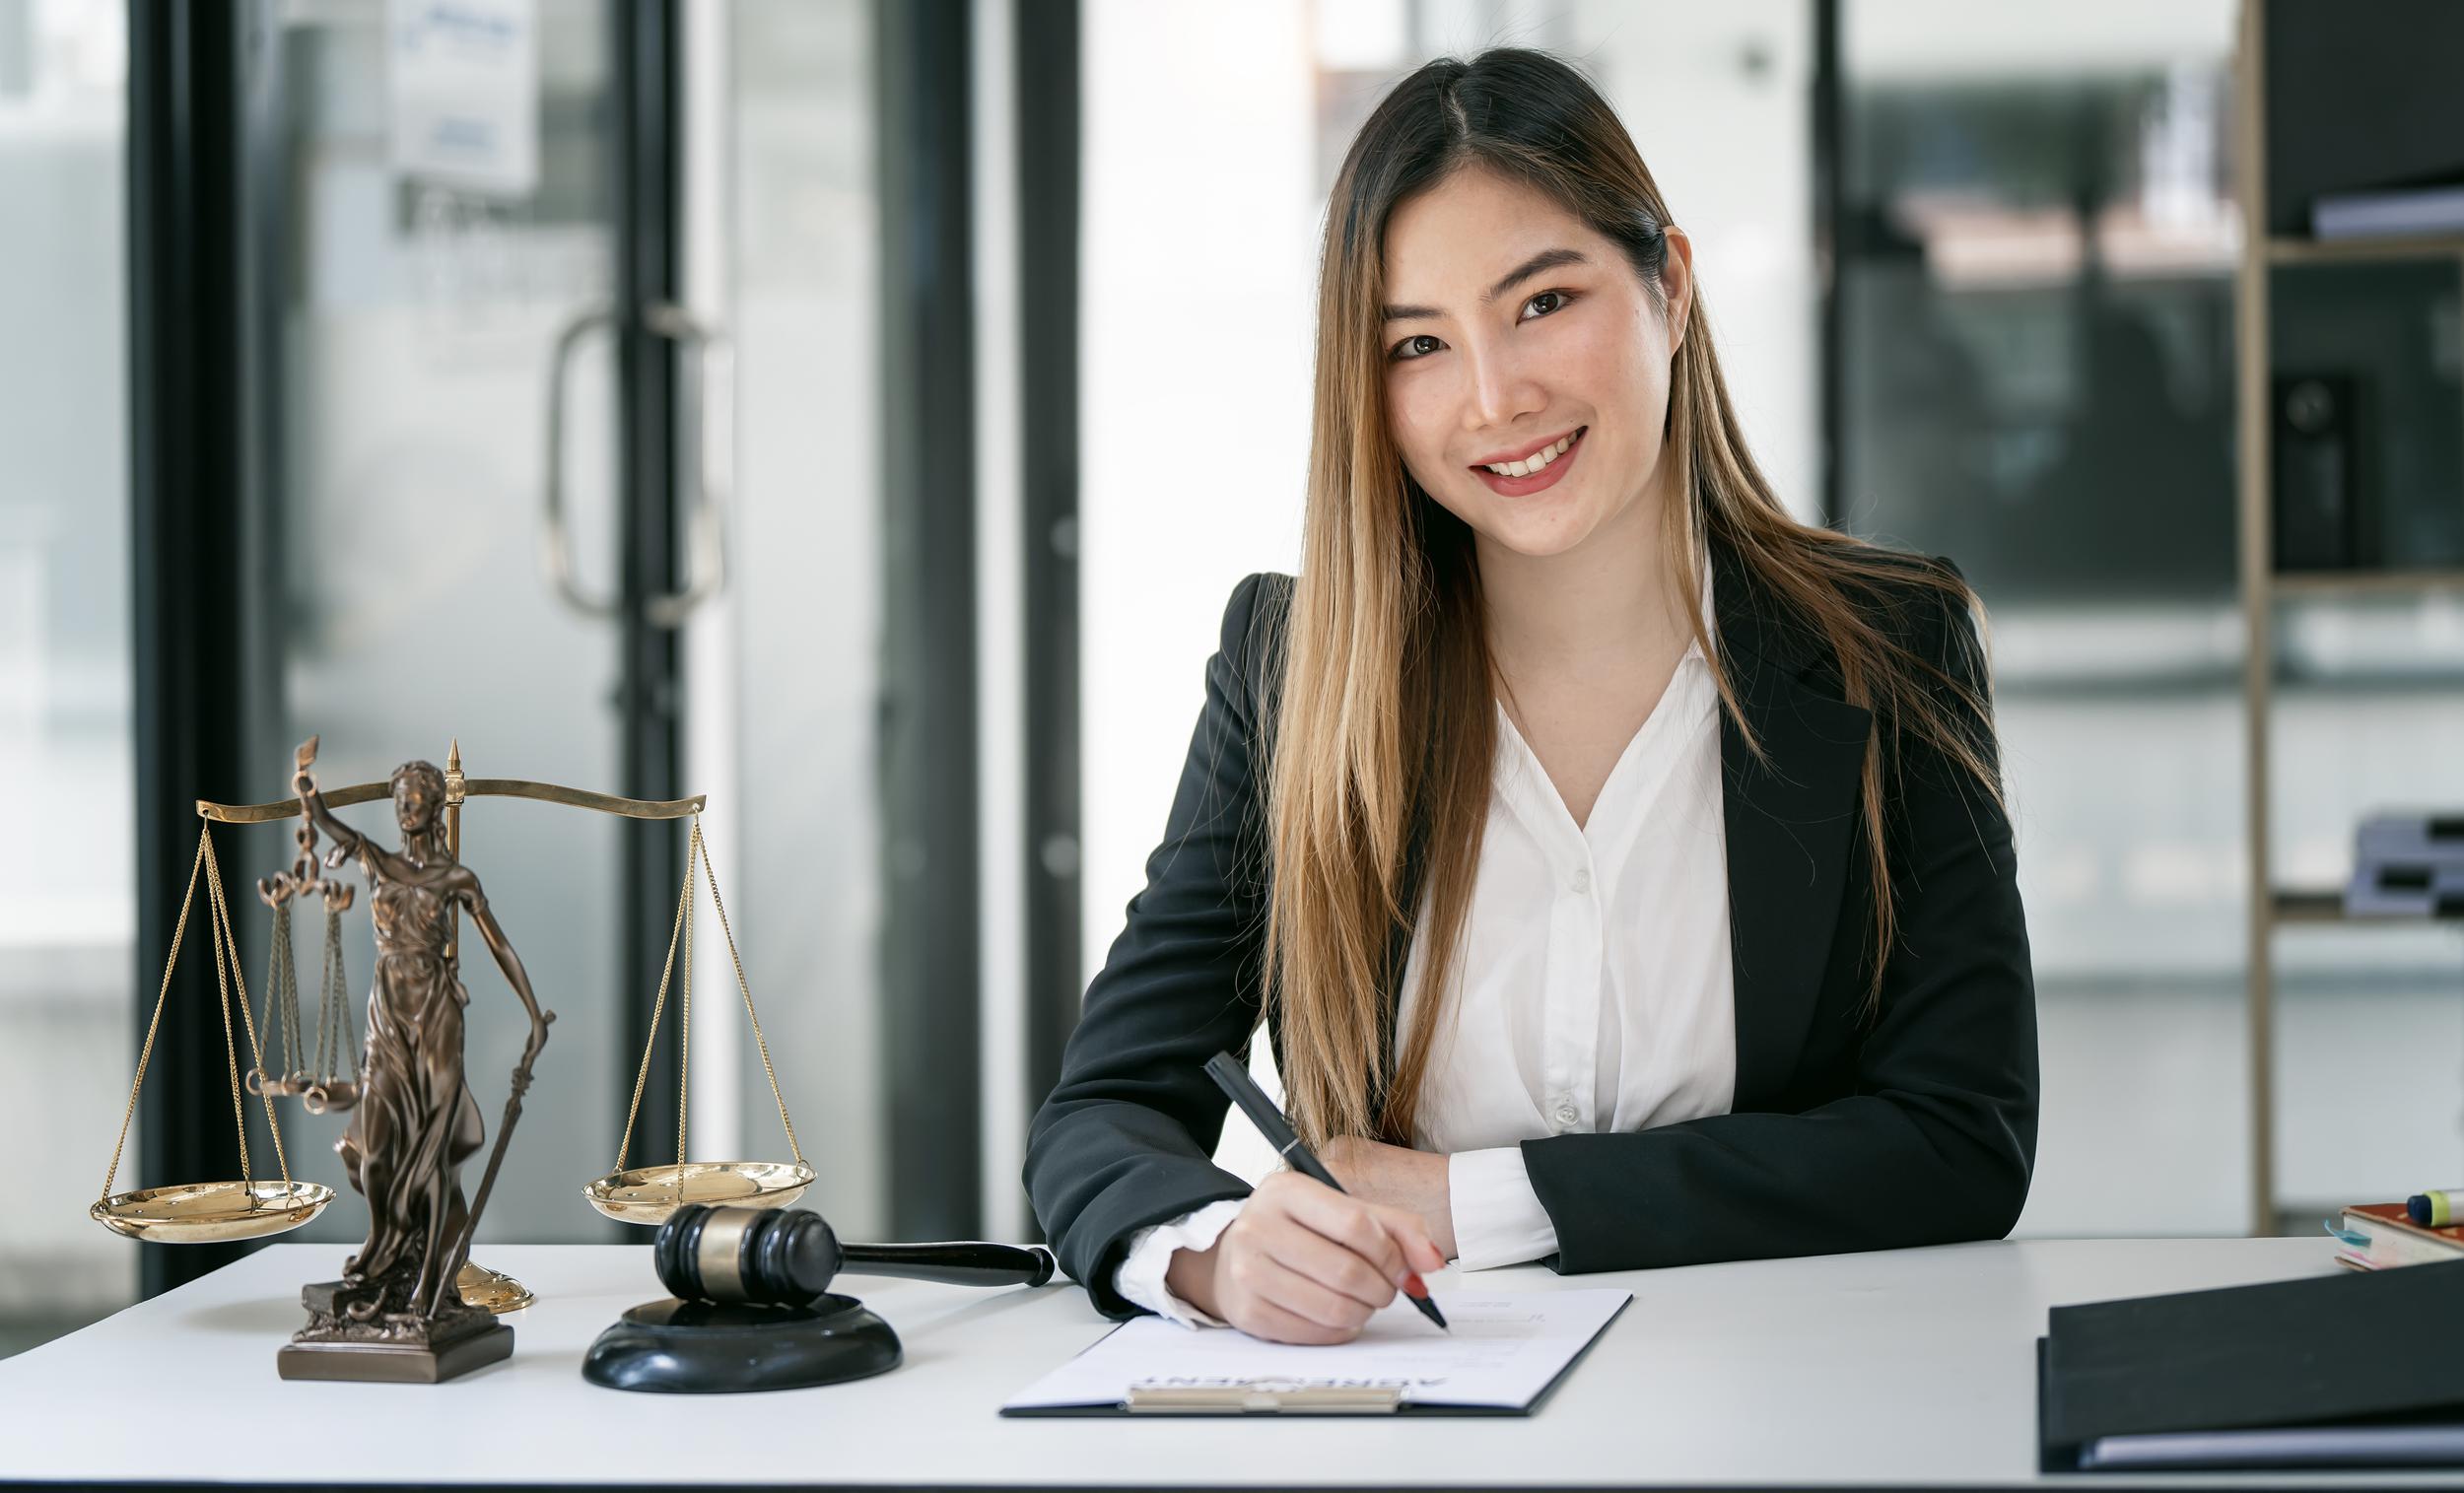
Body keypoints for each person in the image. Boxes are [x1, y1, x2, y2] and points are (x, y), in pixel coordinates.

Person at [1024, 47, 2036, 1346]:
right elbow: (1100, 1114)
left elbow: (1962, 1138)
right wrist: (1215, 1253)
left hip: (1788, 1394)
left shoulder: (1889, 646)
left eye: (1544, 301)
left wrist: (1468, 1202)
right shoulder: (1291, 672)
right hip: (1411, 1422)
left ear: (1670, 284)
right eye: (1420, 344)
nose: (1495, 399)